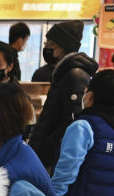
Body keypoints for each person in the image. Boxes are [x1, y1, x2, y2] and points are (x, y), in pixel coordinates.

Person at [28, 21, 98, 172]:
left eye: (50, 43)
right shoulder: (63, 72)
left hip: (55, 157)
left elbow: (73, 120)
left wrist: (50, 144)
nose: (45, 47)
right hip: (48, 153)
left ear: (63, 46)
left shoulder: (74, 75)